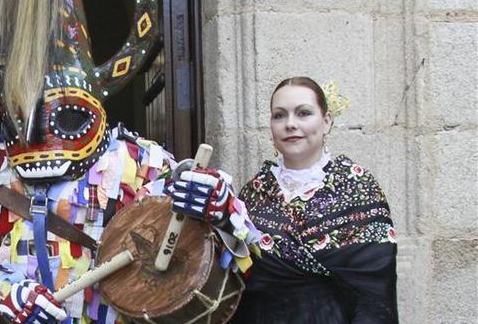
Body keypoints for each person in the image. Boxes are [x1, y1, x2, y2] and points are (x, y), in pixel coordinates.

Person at [0, 0, 227, 323]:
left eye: (68, 117)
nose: (45, 139)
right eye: (24, 121)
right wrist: (7, 296)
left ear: (94, 107)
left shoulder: (139, 164)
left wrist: (218, 205)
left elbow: (205, 245)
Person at [168, 77, 398, 323]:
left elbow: (374, 295)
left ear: (327, 122)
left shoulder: (357, 187)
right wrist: (220, 222)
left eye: (303, 113)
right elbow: (233, 278)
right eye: (279, 115)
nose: (290, 124)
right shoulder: (254, 192)